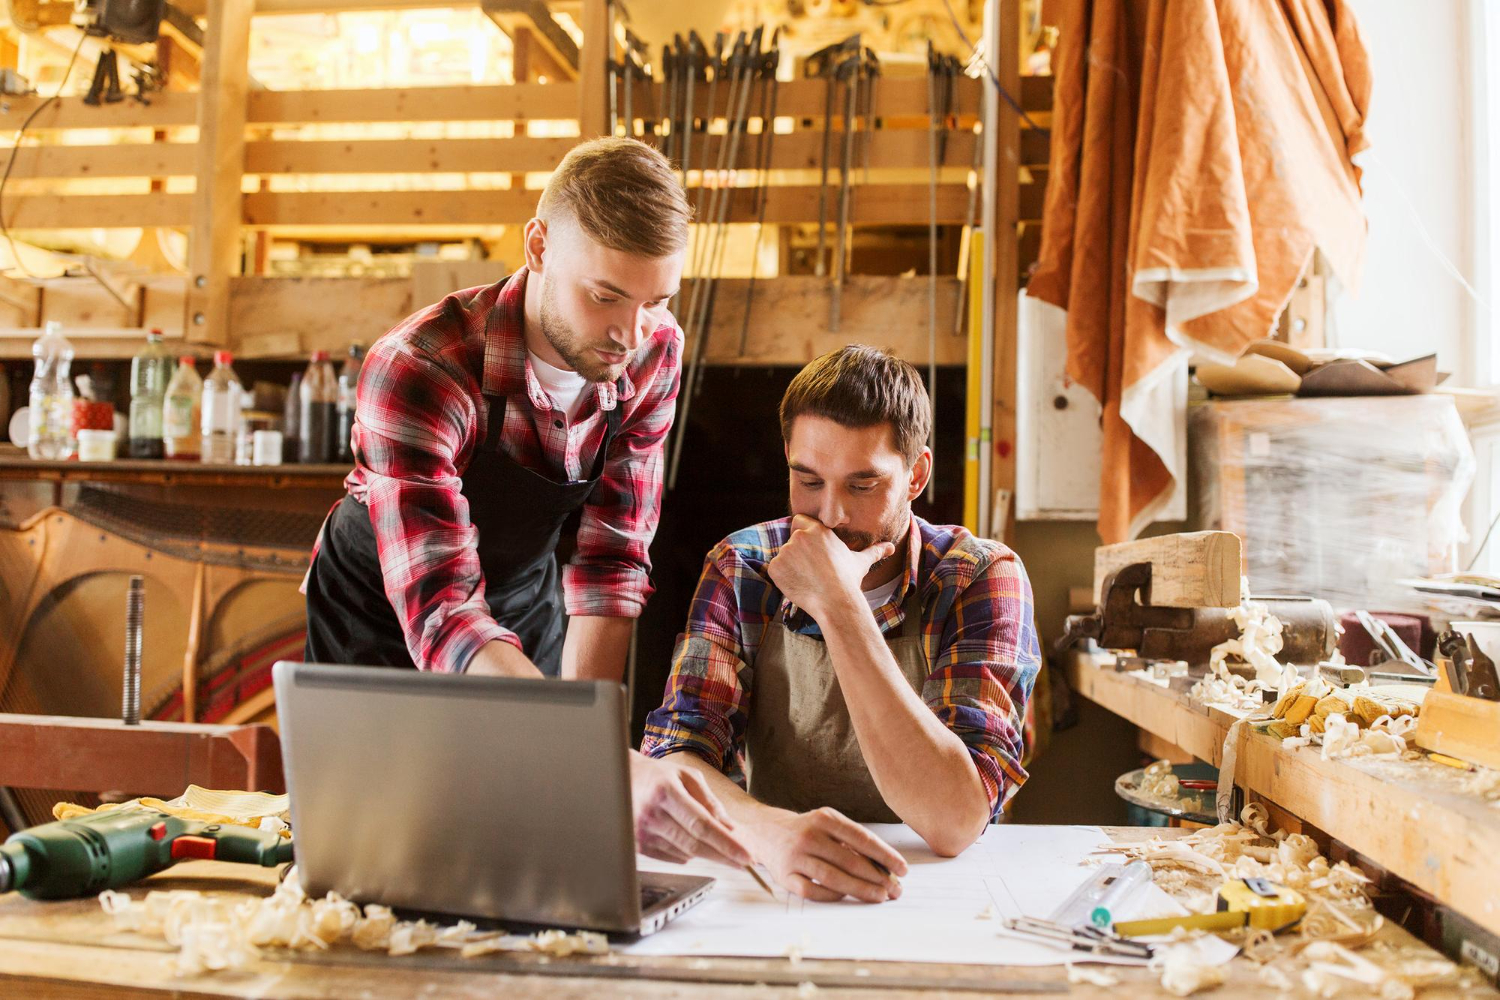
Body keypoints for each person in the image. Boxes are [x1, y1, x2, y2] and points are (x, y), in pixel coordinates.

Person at [303, 136, 748, 867]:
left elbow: (611, 561)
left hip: (521, 593)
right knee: (381, 851)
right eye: (605, 295)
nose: (629, 334)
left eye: (656, 301)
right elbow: (443, 608)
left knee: (531, 843)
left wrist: (588, 762)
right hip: (382, 611)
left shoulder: (651, 350)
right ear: (538, 245)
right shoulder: (420, 368)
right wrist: (578, 752)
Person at [642, 345, 1040, 902]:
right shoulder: (742, 566)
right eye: (808, 481)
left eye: (862, 486)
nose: (830, 516)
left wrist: (838, 603)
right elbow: (676, 755)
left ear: (917, 475)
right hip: (780, 876)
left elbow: (955, 819)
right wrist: (770, 832)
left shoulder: (977, 577)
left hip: (934, 889)